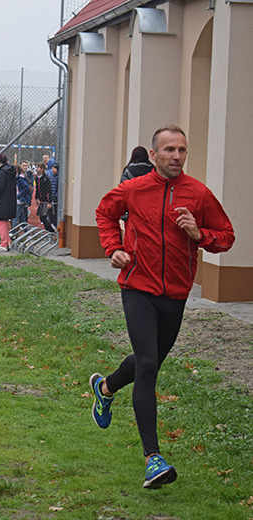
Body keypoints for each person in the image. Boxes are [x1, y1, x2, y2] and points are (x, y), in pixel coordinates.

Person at [92, 124, 235, 489]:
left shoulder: (198, 194)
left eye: (182, 150)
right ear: (153, 155)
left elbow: (227, 236)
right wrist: (114, 249)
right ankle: (152, 458)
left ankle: (105, 388)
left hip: (175, 294)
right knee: (149, 365)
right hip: (137, 287)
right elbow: (105, 213)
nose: (176, 156)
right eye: (169, 150)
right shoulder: (134, 189)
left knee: (147, 359)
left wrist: (198, 234)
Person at [34, 162, 55, 232]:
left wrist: (49, 202)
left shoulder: (46, 178)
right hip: (41, 200)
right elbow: (37, 189)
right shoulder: (37, 178)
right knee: (42, 218)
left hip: (46, 200)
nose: (36, 169)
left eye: (38, 167)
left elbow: (49, 190)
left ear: (42, 169)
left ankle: (51, 231)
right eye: (36, 167)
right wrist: (36, 198)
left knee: (45, 217)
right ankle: (49, 231)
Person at [14, 163, 32, 227]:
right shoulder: (16, 178)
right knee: (21, 218)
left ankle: (13, 233)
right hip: (19, 199)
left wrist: (19, 195)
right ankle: (26, 232)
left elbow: (27, 188)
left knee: (15, 216)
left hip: (20, 200)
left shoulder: (20, 178)